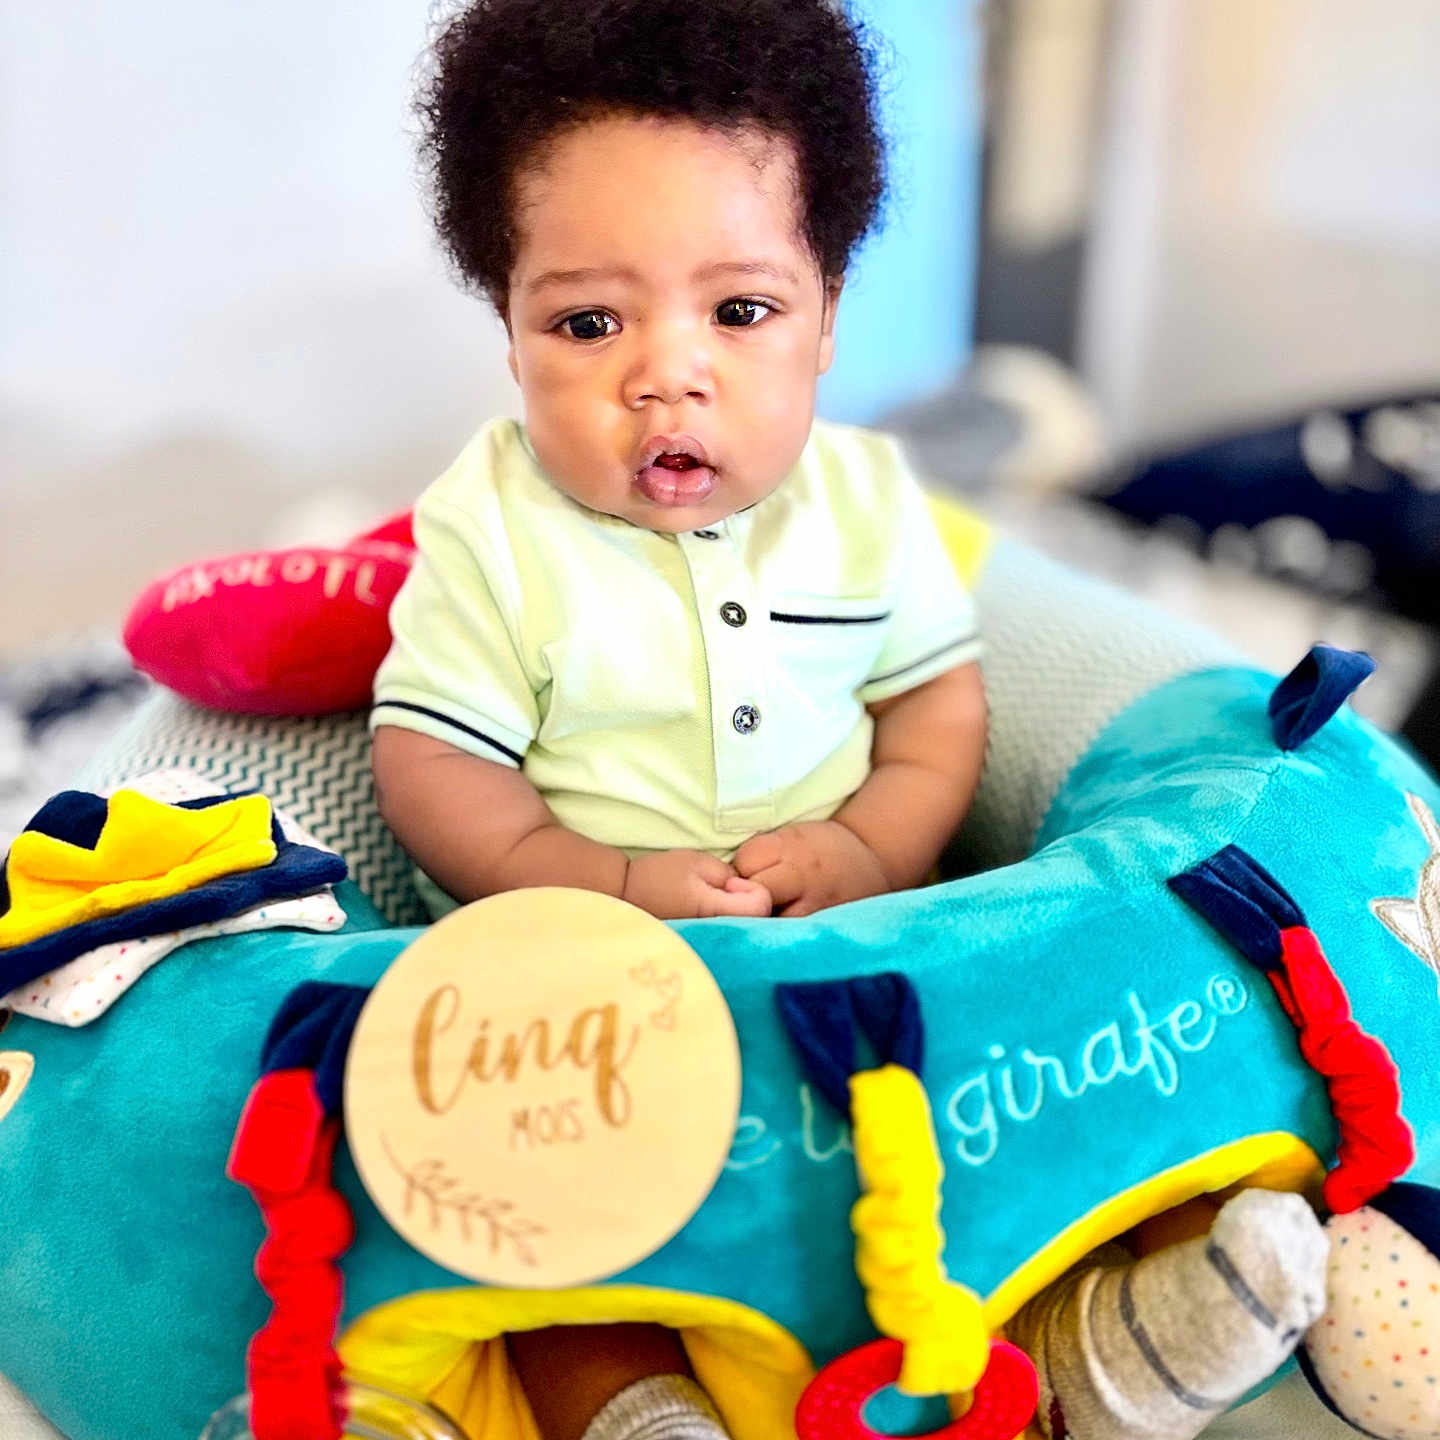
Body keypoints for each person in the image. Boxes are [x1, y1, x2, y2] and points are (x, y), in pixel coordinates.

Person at [369, 3, 1326, 1438]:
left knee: (1008, 1108)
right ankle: (630, 1406)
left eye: (740, 312)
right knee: (549, 1237)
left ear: (824, 325)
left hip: (858, 957)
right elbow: (428, 762)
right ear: (510, 338)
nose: (665, 372)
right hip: (589, 1002)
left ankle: (1080, 1356)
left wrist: (873, 847)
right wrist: (597, 884)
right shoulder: (495, 530)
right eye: (587, 321)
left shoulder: (868, 507)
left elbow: (938, 709)